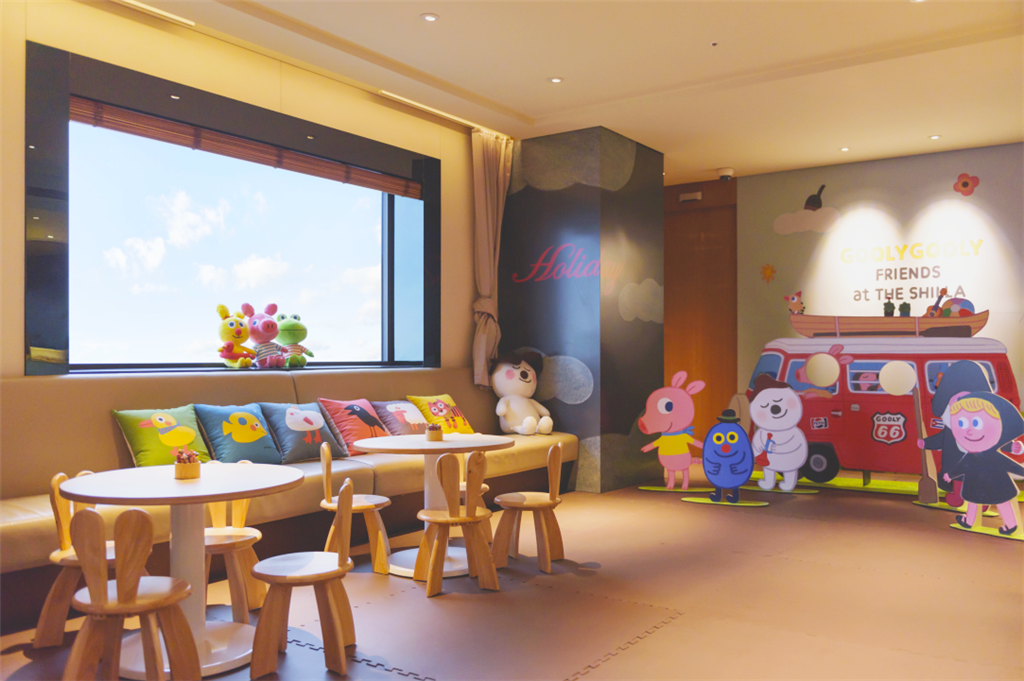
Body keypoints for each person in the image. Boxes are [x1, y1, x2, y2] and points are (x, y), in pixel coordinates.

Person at [925, 392, 1024, 535]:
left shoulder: (992, 456)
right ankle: (969, 521)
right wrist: (950, 475)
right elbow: (962, 466)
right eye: (961, 424)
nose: (969, 431)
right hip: (977, 483)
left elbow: (1010, 465)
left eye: (976, 423)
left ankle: (1010, 524)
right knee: (974, 500)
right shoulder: (971, 456)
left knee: (1001, 501)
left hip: (996, 483)